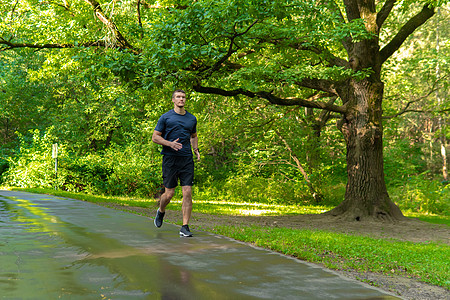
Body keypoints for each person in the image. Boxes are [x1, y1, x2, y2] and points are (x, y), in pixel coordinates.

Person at [152, 89, 201, 237]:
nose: (181, 99)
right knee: (169, 194)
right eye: (178, 97)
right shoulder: (166, 118)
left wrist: (196, 149)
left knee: (187, 192)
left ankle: (185, 226)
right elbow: (155, 137)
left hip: (186, 159)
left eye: (183, 97)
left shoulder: (192, 119)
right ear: (173, 100)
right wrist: (169, 144)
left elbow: (193, 135)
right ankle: (161, 211)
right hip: (170, 159)